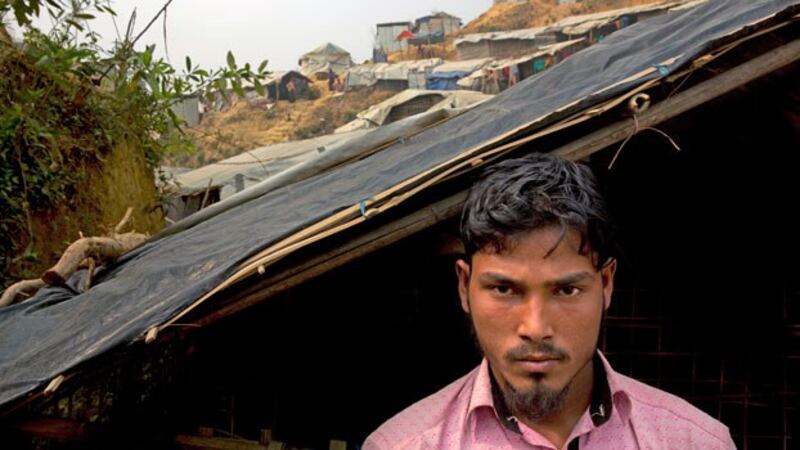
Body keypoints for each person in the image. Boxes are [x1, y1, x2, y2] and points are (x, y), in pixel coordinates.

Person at [363, 153, 735, 449]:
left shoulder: (695, 441)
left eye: (566, 290)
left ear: (606, 284)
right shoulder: (404, 445)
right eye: (504, 290)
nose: (535, 328)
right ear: (464, 286)